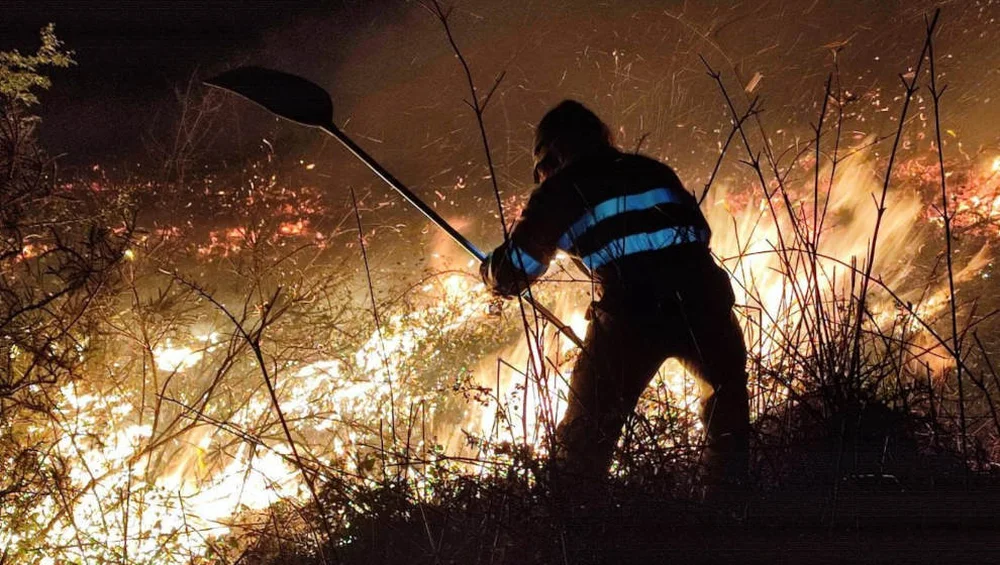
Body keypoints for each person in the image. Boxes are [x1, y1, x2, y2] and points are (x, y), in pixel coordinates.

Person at [480, 100, 750, 490]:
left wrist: (488, 270)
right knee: (728, 425)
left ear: (553, 154)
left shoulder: (562, 188)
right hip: (707, 302)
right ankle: (729, 516)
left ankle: (574, 528)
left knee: (584, 440)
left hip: (634, 314)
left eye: (542, 167)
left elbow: (513, 273)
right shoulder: (650, 169)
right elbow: (696, 233)